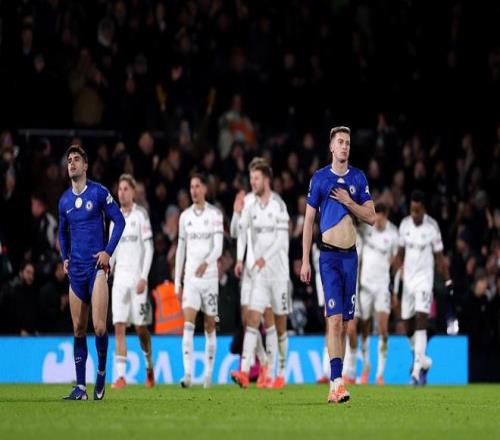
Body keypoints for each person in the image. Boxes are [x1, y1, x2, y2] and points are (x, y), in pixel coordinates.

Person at [300, 126, 375, 404]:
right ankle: (338, 382)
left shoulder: (358, 178)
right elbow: (308, 221)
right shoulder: (320, 178)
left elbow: (371, 216)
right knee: (332, 320)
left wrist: (348, 201)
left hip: (350, 258)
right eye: (340, 142)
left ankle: (335, 384)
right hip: (329, 257)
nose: (345, 146)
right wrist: (305, 260)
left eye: (348, 143)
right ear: (331, 147)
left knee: (344, 325)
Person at [58, 145, 125, 400]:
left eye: (76, 159)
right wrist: (64, 258)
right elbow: (62, 232)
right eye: (69, 160)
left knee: (98, 327)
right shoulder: (64, 201)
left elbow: (119, 220)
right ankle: (81, 388)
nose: (72, 163)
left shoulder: (98, 193)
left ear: (85, 165)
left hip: (96, 268)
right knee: (78, 329)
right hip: (75, 271)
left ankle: (101, 373)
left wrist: (108, 251)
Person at [231, 159, 291, 389]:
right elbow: (239, 232)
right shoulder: (249, 204)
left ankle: (280, 372)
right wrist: (236, 214)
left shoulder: (278, 205)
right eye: (251, 179)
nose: (252, 182)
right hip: (259, 275)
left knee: (280, 327)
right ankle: (245, 371)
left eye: (256, 178)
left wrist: (265, 257)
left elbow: (282, 239)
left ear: (266, 180)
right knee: (252, 320)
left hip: (279, 274)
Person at [395, 190, 453, 385]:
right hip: (408, 282)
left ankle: (416, 371)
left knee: (421, 319)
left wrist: (447, 280)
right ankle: (424, 361)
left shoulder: (432, 227)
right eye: (412, 210)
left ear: (424, 209)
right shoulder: (404, 225)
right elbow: (399, 255)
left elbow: (440, 258)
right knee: (407, 326)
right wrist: (394, 277)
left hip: (424, 281)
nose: (414, 214)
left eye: (417, 211)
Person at [175, 174, 224, 388]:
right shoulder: (185, 217)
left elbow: (219, 247)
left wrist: (206, 262)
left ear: (205, 188)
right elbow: (180, 250)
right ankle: (187, 374)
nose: (194, 190)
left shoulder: (215, 215)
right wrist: (177, 281)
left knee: (210, 325)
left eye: (197, 186)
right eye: (191, 187)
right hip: (191, 279)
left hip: (210, 278)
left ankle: (208, 376)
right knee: (188, 324)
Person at [110, 174, 155, 389]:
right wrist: (106, 269)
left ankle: (149, 365)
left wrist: (144, 277)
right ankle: (120, 376)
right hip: (120, 280)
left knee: (140, 328)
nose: (122, 193)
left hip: (137, 281)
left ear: (133, 192)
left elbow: (149, 248)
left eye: (126, 189)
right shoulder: (115, 218)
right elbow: (112, 250)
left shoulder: (140, 215)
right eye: (120, 189)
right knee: (119, 326)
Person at [355, 202, 399, 385]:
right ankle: (366, 366)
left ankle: (380, 373)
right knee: (364, 326)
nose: (378, 220)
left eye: (381, 216)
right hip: (365, 286)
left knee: (383, 328)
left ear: (386, 215)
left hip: (382, 287)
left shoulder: (393, 234)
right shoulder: (367, 228)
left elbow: (396, 264)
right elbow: (355, 221)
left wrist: (395, 291)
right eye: (376, 216)